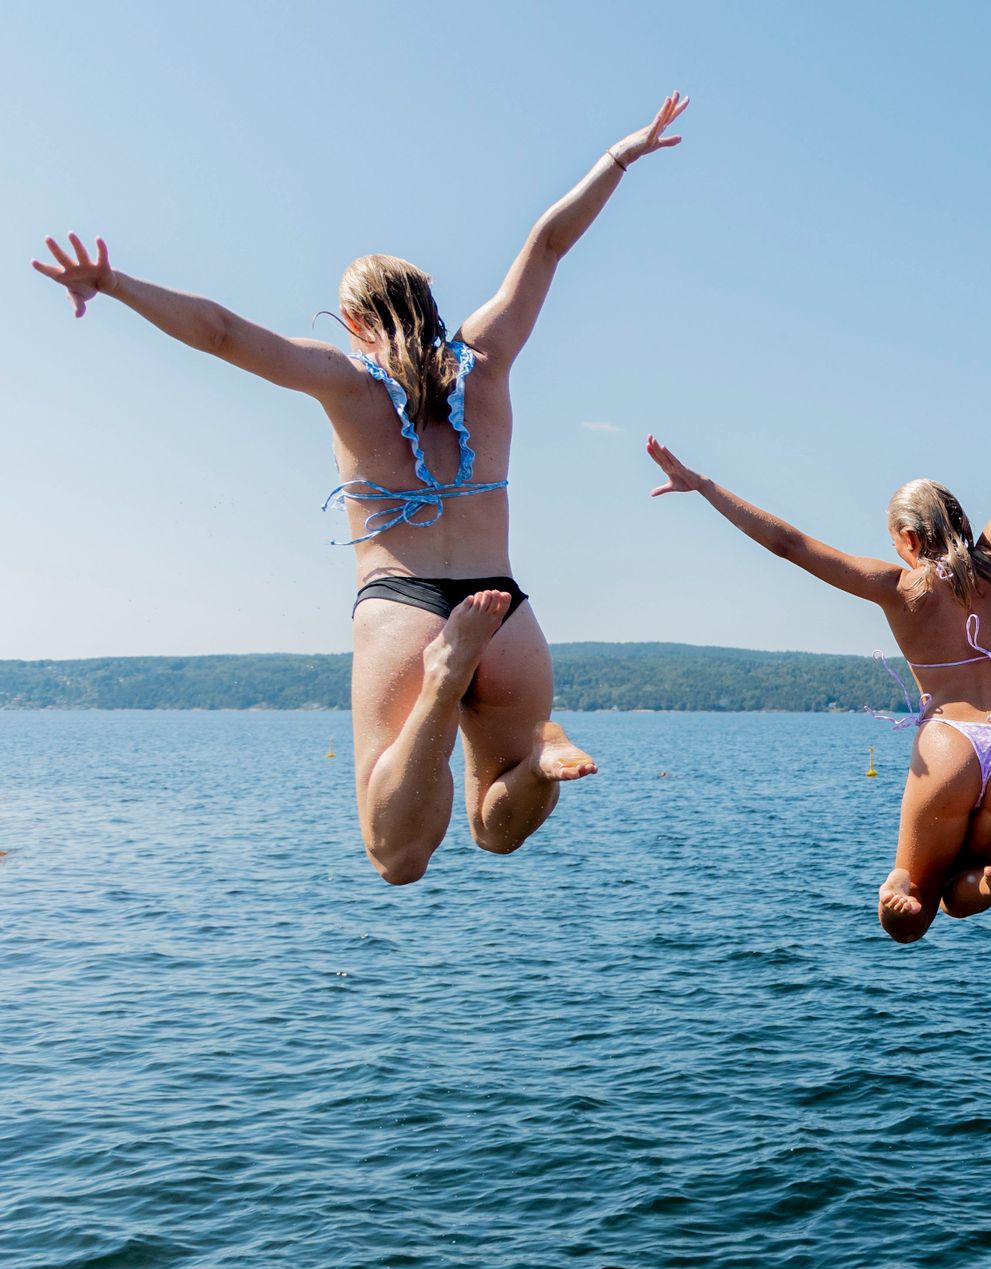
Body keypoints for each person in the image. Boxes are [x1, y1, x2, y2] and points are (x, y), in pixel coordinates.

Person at [33, 92, 694, 883]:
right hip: (505, 612)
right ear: (430, 304)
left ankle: (441, 687)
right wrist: (620, 156)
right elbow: (548, 244)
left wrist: (114, 283)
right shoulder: (487, 356)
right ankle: (541, 757)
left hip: (403, 610)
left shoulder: (347, 380)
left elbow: (221, 332)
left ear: (353, 320)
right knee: (496, 833)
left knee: (397, 856)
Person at [643, 294, 991, 941]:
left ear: (907, 539)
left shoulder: (899, 587)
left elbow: (789, 545)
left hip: (949, 746)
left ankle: (903, 884)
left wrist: (705, 486)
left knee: (914, 910)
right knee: (961, 895)